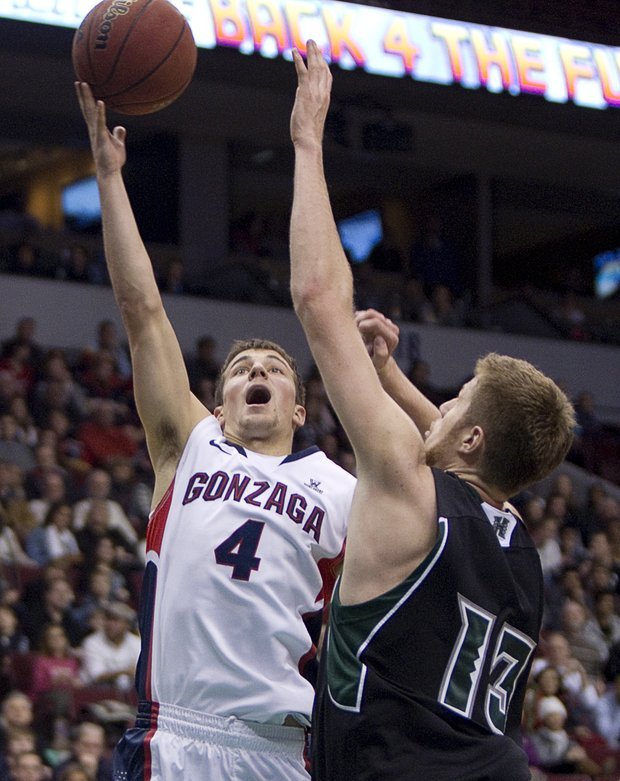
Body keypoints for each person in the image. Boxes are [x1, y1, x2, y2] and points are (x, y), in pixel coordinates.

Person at [288, 41, 575, 780]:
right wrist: (393, 377)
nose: (431, 410)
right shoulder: (524, 559)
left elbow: (321, 302)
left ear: (473, 435)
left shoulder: (407, 485)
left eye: (450, 403)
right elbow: (467, 449)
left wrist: (307, 138)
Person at [74, 81, 354, 781]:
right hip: (174, 735)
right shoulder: (189, 442)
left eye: (275, 368)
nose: (257, 370)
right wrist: (109, 180)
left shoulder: (346, 490)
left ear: (298, 409)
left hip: (281, 748)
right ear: (220, 403)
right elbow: (141, 310)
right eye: (240, 369)